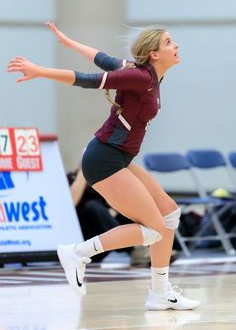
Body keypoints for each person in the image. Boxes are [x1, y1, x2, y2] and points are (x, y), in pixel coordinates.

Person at [7, 22, 200, 310]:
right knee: (155, 229)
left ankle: (160, 293)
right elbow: (87, 78)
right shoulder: (137, 76)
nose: (176, 46)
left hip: (119, 157)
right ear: (155, 53)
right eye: (170, 42)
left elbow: (101, 58)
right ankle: (76, 253)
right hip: (104, 158)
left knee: (170, 216)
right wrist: (40, 71)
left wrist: (69, 42)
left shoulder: (148, 75)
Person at [68, 168, 134, 263]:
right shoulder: (70, 178)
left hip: (103, 234)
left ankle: (140, 244)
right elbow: (72, 202)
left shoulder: (101, 179)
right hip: (85, 235)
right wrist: (83, 172)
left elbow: (118, 206)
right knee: (93, 206)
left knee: (132, 208)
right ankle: (128, 246)